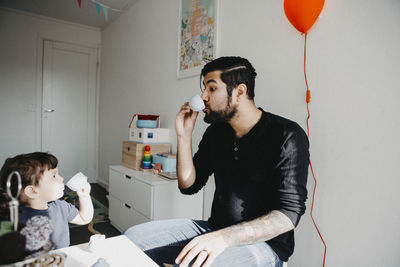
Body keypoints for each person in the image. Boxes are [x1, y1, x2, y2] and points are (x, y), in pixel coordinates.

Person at [124, 56, 309, 267]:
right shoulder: (216, 133)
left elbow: (287, 216)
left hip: (264, 246)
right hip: (214, 230)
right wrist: (184, 137)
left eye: (211, 89)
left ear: (240, 91)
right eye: (204, 89)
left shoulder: (287, 134)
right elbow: (189, 185)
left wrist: (224, 238)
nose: (203, 97)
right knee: (132, 238)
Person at [0, 152, 93, 249]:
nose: (61, 178)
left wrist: (84, 196)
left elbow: (84, 218)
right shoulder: (14, 219)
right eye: (54, 176)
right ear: (32, 191)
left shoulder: (60, 206)